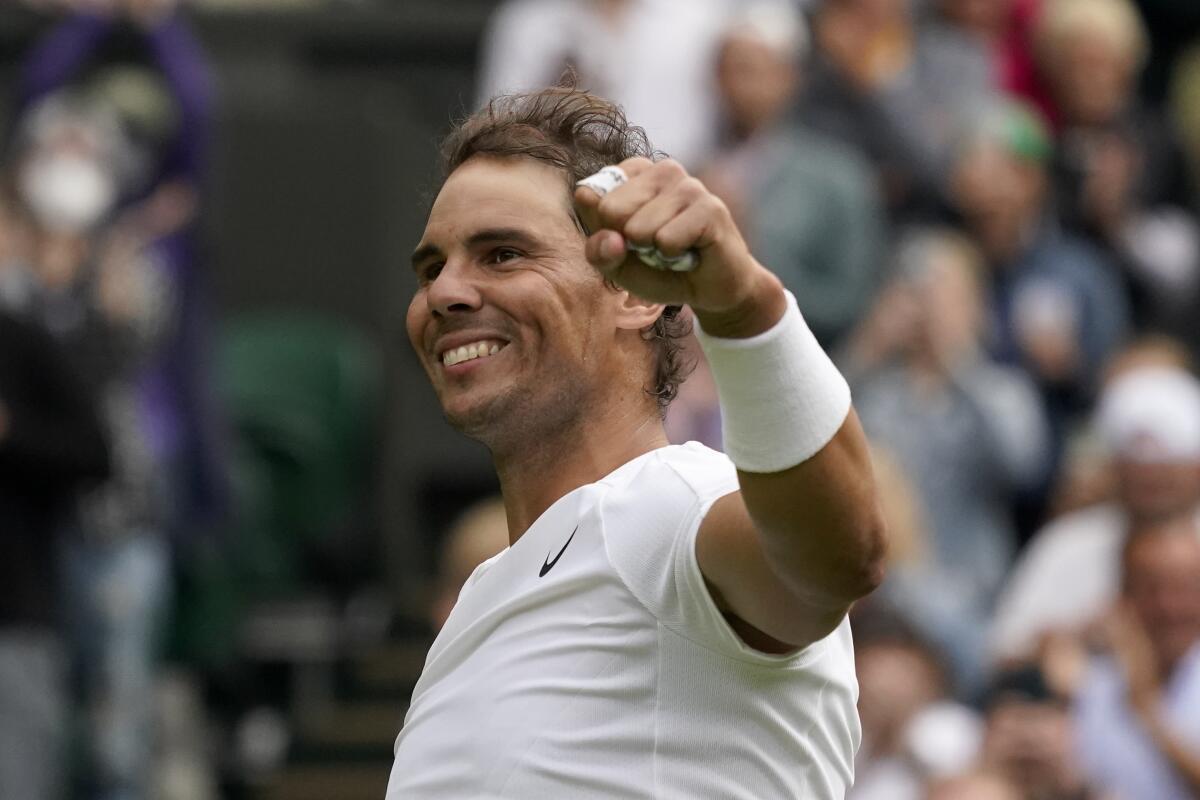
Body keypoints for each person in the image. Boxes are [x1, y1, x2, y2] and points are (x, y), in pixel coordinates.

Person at [387, 86, 887, 797]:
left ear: (634, 293)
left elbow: (837, 560)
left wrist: (745, 306)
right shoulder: (481, 597)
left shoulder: (679, 503)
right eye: (432, 267)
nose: (446, 293)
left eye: (502, 255)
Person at [989, 364, 1200, 664]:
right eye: (1139, 470)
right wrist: (1078, 638)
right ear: (1114, 469)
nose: (1152, 481)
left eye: (1167, 469)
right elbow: (1002, 656)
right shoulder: (1069, 543)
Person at [1074, 515, 1200, 799]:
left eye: (1186, 589)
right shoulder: (1086, 679)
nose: (1169, 606)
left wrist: (1148, 711)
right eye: (1151, 589)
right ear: (1122, 595)